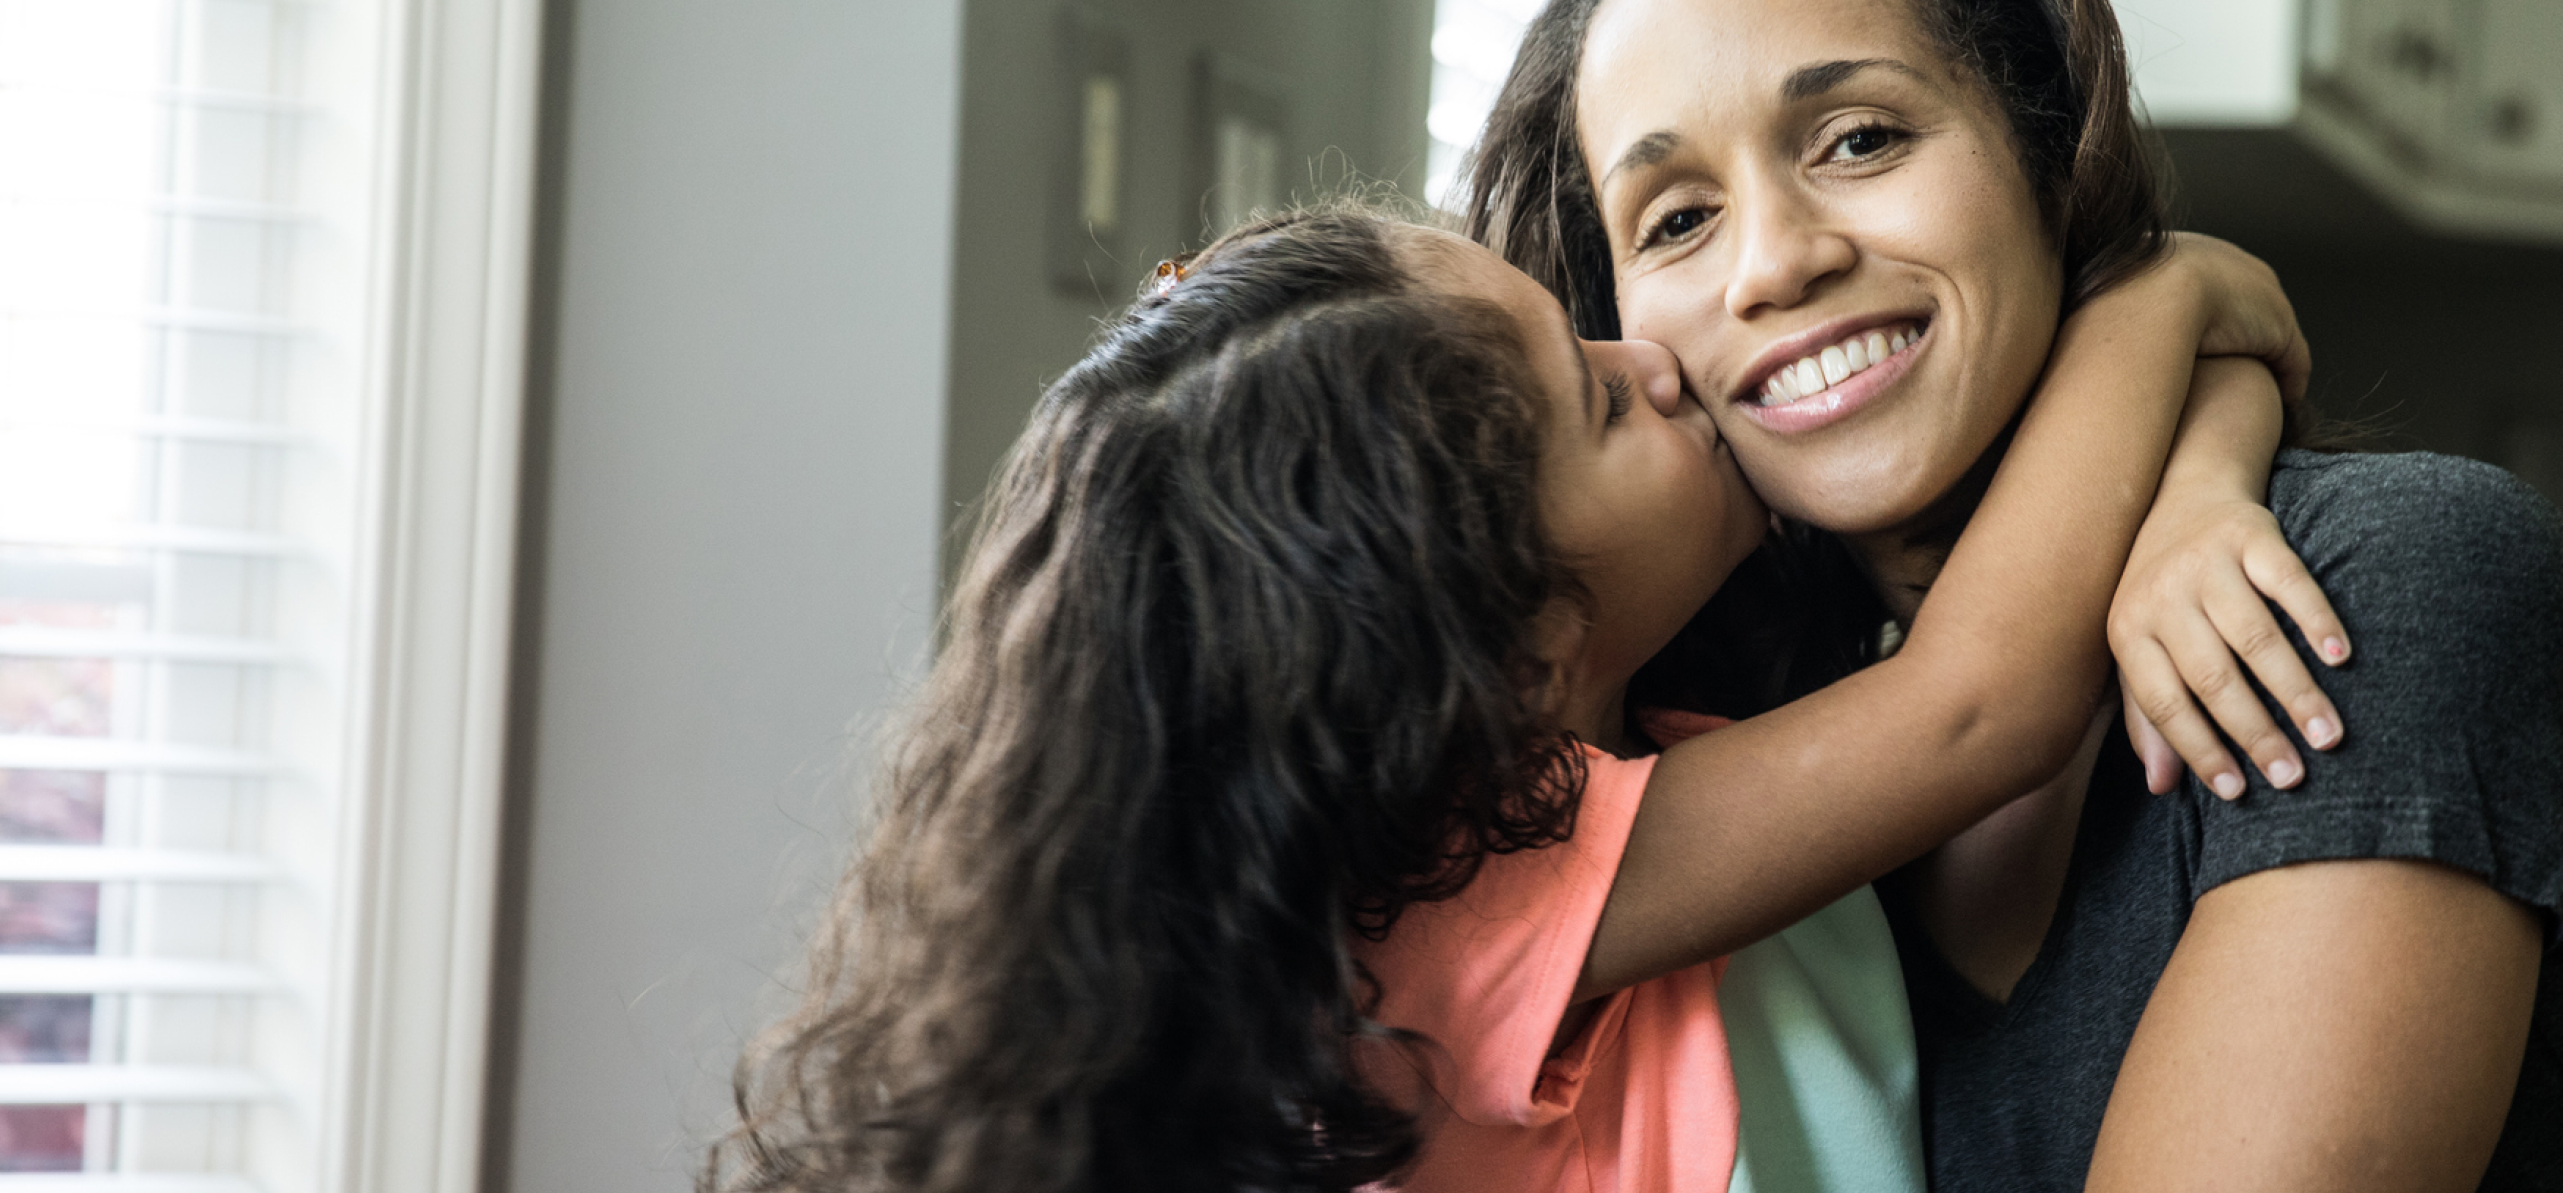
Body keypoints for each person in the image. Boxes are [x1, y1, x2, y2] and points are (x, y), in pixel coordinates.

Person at [702, 202, 2330, 1193]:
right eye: (1593, 399)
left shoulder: (1663, 764)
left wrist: (2208, 454)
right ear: (1519, 649)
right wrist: (2166, 292)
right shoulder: (1466, 897)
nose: (1658, 360)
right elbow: (1988, 703)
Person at [1464, 0, 2563, 1189]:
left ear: (2046, 152)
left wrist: (2178, 344)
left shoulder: (2381, 591)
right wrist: (2179, 319)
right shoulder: (1754, 779)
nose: (1775, 261)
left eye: (1861, 138)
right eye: (1679, 219)